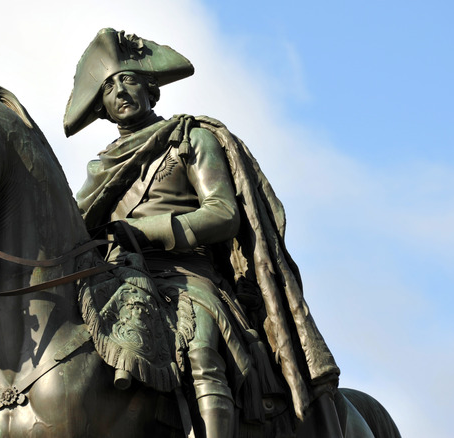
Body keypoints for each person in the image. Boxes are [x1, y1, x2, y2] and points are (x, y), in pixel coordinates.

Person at [65, 28, 341, 438]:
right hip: (122, 277)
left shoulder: (189, 138)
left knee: (199, 341)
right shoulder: (101, 169)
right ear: (102, 108)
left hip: (188, 276)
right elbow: (73, 225)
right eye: (108, 86)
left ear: (151, 89)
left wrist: (147, 230)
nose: (120, 90)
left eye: (128, 79)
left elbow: (223, 213)